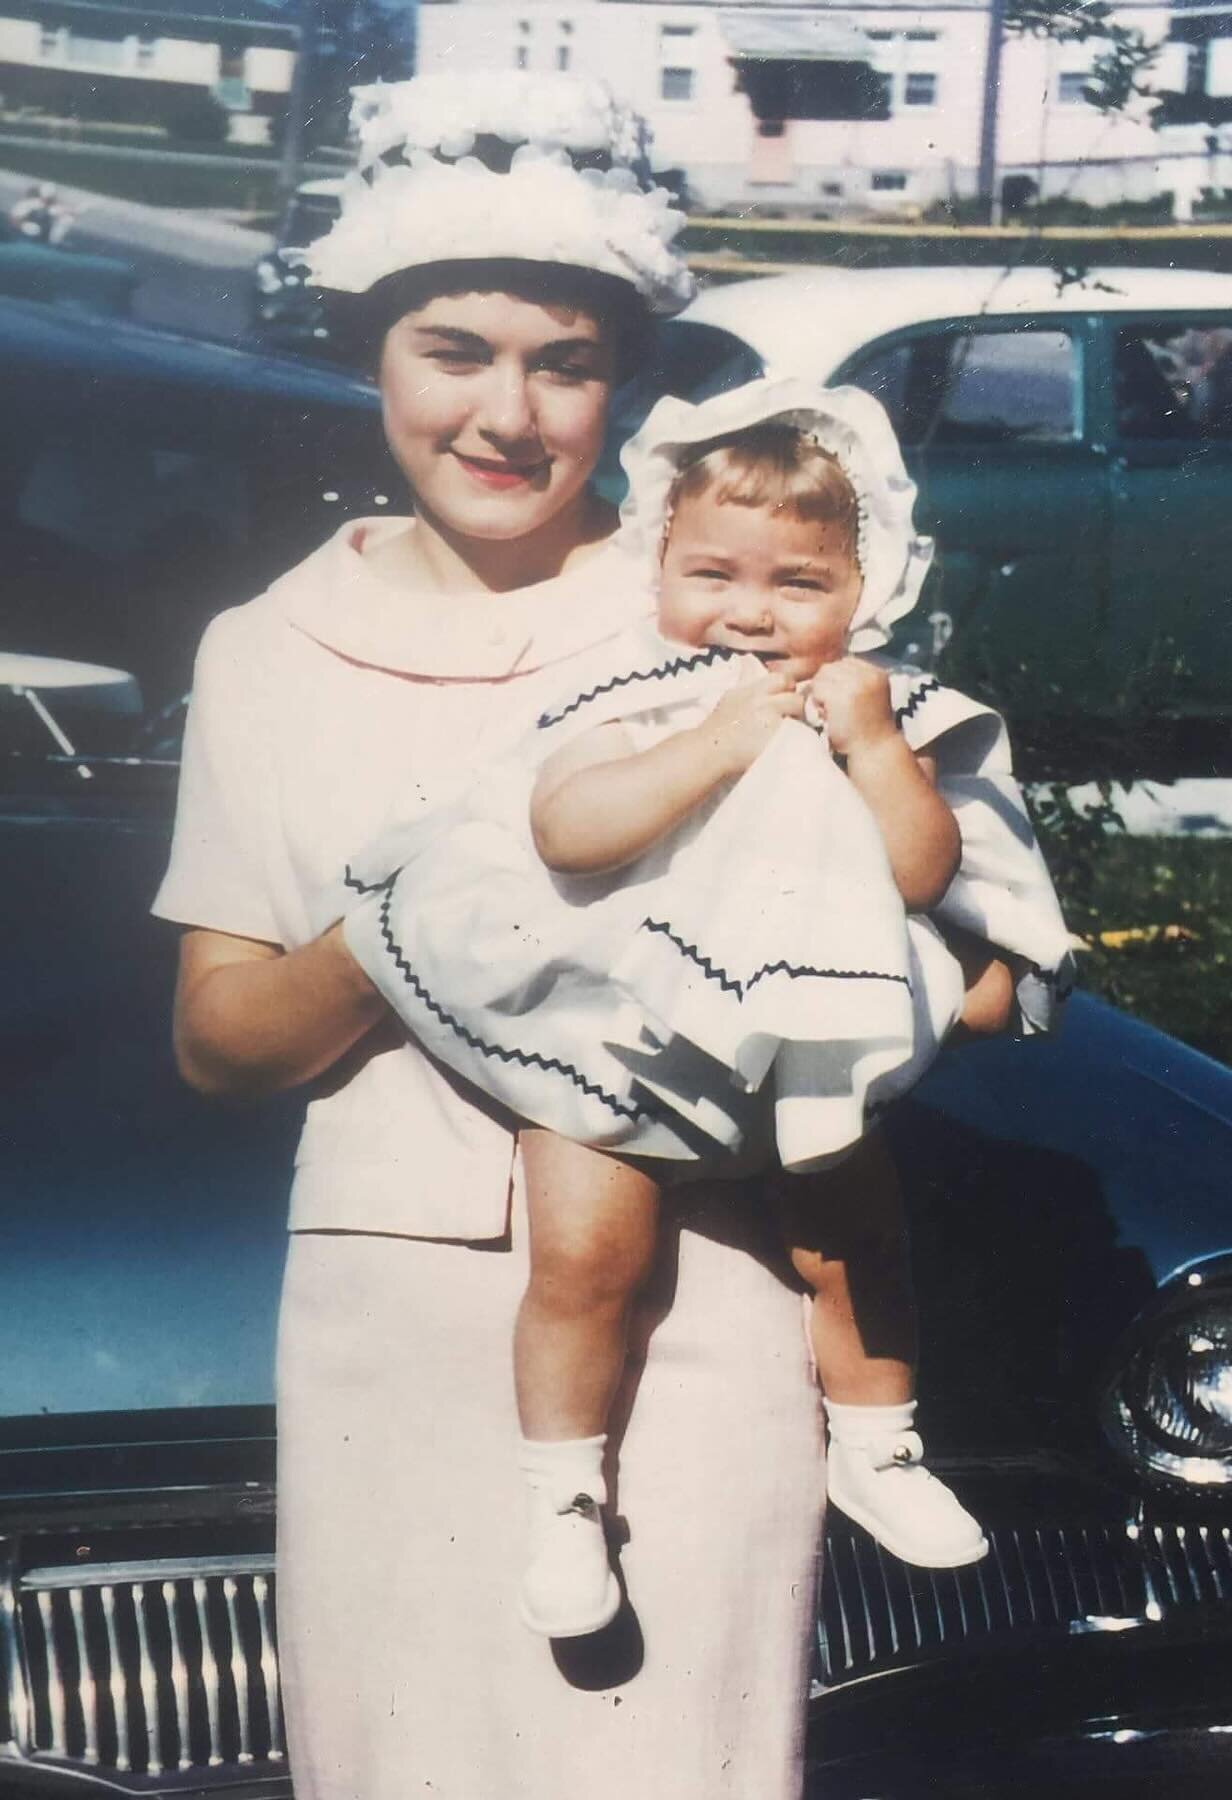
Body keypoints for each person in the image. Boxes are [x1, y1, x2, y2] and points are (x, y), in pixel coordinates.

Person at [155, 70, 957, 1799]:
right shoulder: (267, 649)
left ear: (624, 383)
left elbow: (934, 910)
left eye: (565, 362)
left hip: (699, 1286)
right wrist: (424, 915)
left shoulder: (731, 591)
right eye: (455, 350)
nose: (507, 413)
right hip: (389, 1302)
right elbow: (221, 1038)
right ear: (372, 356)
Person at [336, 379, 1074, 1640]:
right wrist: (721, 743)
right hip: (610, 1041)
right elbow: (570, 831)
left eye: (800, 584)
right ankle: (564, 1497)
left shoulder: (884, 712)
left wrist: (877, 750)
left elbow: (921, 875)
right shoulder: (628, 695)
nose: (749, 613)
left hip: (800, 1053)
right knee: (586, 1258)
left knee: (854, 1239)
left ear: (867, 589)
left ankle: (879, 1444)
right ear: (658, 568)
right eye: (714, 575)